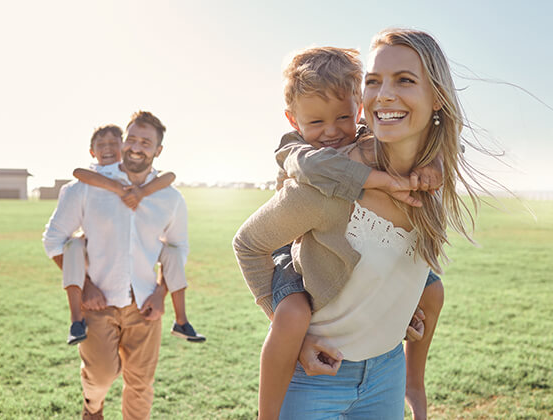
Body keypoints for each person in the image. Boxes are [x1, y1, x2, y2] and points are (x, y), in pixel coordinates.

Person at [234, 28, 486, 419]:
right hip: (318, 374)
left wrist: (390, 310)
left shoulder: (432, 174)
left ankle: (414, 385)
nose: (385, 93)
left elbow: (450, 141)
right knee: (292, 314)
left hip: (387, 371)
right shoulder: (324, 182)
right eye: (375, 81)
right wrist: (289, 329)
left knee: (433, 291)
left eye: (404, 80)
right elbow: (249, 242)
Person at [43, 111, 189, 419]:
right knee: (100, 377)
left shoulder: (170, 198)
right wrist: (85, 286)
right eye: (132, 139)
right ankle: (92, 406)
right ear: (123, 142)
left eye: (146, 142)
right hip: (98, 305)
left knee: (141, 385)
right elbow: (54, 241)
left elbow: (178, 249)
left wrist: (161, 294)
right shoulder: (85, 188)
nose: (137, 147)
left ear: (157, 150)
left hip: (145, 305)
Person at [61, 124, 204, 345]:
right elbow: (79, 173)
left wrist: (141, 192)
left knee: (174, 252)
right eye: (101, 145)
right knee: (73, 246)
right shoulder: (96, 176)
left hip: (140, 287)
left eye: (113, 144)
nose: (108, 150)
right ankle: (76, 320)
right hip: (96, 261)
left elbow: (170, 176)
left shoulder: (142, 178)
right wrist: (118, 189)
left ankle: (182, 320)